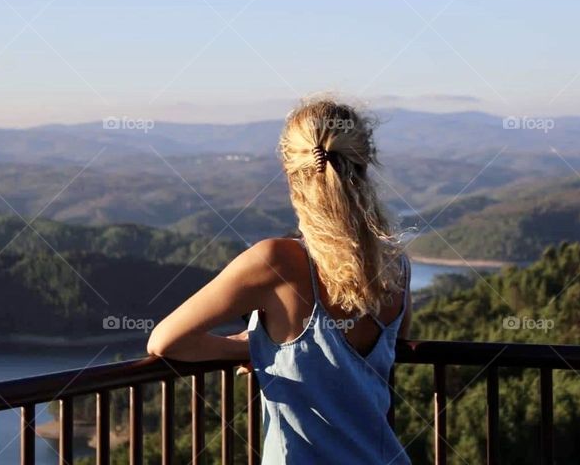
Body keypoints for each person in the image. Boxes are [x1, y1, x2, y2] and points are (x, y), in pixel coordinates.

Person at [147, 97, 412, 464]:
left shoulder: (277, 262)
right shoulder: (397, 264)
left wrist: (252, 348)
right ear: (365, 164)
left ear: (291, 170)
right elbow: (393, 346)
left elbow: (165, 341)